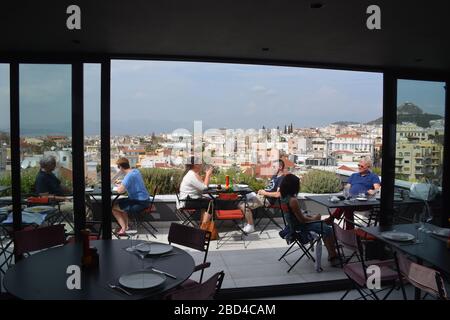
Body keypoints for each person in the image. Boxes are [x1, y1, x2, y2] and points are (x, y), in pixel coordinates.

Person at [279, 173, 339, 266]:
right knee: (327, 229)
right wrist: (315, 219)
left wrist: (314, 218)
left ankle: (332, 252)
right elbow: (302, 220)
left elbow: (296, 216)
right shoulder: (293, 201)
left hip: (292, 225)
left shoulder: (283, 197)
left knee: (323, 224)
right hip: (300, 227)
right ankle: (333, 256)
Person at [325, 156, 381, 229]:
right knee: (345, 204)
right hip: (351, 200)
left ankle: (336, 221)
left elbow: (377, 189)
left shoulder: (373, 176)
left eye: (362, 166)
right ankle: (348, 230)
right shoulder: (354, 175)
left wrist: (373, 191)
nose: (359, 167)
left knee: (346, 206)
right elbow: (347, 188)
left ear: (368, 167)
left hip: (364, 202)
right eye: (358, 165)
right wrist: (344, 189)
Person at [239, 159, 286, 234]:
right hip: (261, 196)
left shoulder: (282, 179)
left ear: (280, 167)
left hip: (267, 200)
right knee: (241, 199)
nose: (272, 168)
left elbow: (278, 194)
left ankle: (250, 226)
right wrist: (261, 191)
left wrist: (264, 193)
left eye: (274, 167)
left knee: (243, 205)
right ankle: (248, 222)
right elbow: (269, 188)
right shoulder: (274, 176)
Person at [112, 157, 152, 236]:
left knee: (114, 209)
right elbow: (131, 181)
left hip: (139, 202)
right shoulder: (135, 171)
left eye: (118, 167)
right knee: (121, 204)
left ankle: (123, 229)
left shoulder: (128, 176)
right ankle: (126, 226)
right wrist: (123, 182)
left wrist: (119, 186)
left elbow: (120, 191)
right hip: (145, 200)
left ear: (121, 167)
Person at [177, 157, 214, 225]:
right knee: (211, 203)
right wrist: (208, 175)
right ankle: (204, 226)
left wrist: (206, 176)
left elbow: (202, 186)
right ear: (195, 165)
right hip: (186, 201)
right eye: (200, 163)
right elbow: (204, 188)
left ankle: (203, 223)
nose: (202, 165)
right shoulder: (191, 175)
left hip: (188, 200)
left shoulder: (191, 173)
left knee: (207, 202)